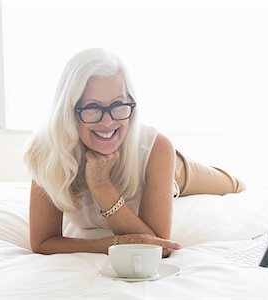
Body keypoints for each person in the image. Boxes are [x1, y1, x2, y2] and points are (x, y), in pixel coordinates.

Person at [24, 48, 245, 257]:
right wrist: (115, 244)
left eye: (118, 105)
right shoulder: (46, 151)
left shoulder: (155, 148)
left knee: (234, 185)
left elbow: (158, 246)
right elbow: (43, 242)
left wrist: (101, 186)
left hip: (174, 169)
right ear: (68, 111)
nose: (108, 121)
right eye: (92, 108)